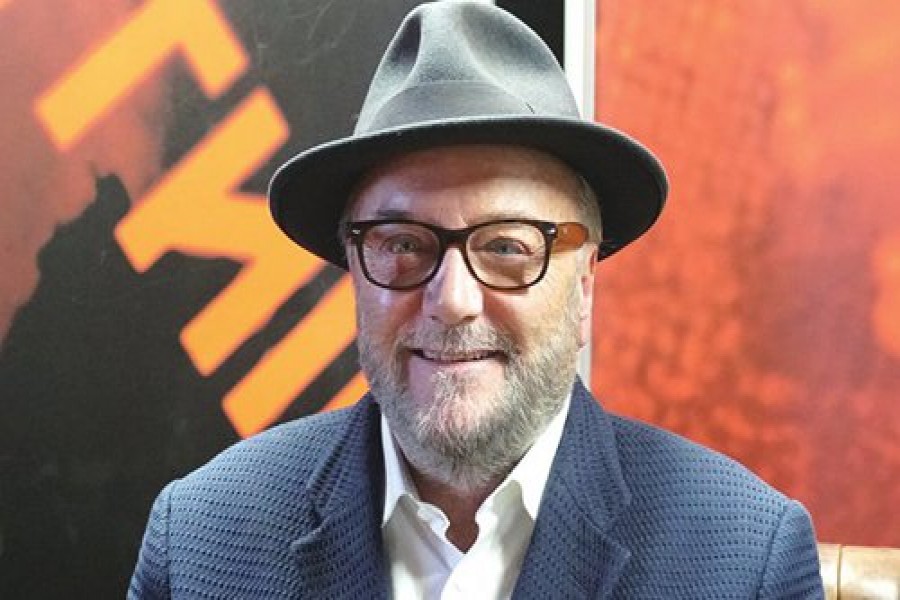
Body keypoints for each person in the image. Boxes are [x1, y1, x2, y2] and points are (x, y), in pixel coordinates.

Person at [129, 2, 824, 598]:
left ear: (584, 282)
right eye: (403, 244)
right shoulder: (199, 540)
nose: (453, 301)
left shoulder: (743, 558)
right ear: (353, 269)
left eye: (507, 247)